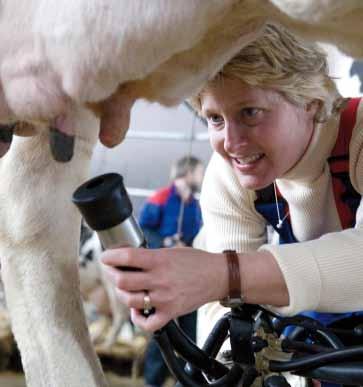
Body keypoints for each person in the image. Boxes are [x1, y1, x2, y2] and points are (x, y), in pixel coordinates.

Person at [101, 22, 363, 353]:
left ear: (309, 99)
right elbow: (229, 318)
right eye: (215, 119)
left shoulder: (358, 136)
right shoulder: (229, 175)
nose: (231, 143)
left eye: (250, 112)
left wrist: (224, 275)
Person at [138, 155, 204, 387]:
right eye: (199, 172)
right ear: (188, 172)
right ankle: (152, 383)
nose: (201, 176)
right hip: (161, 276)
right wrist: (166, 243)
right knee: (162, 332)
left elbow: (198, 237)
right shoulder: (161, 197)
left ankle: (186, 380)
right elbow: (142, 229)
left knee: (190, 333)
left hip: (187, 278)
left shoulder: (194, 205)